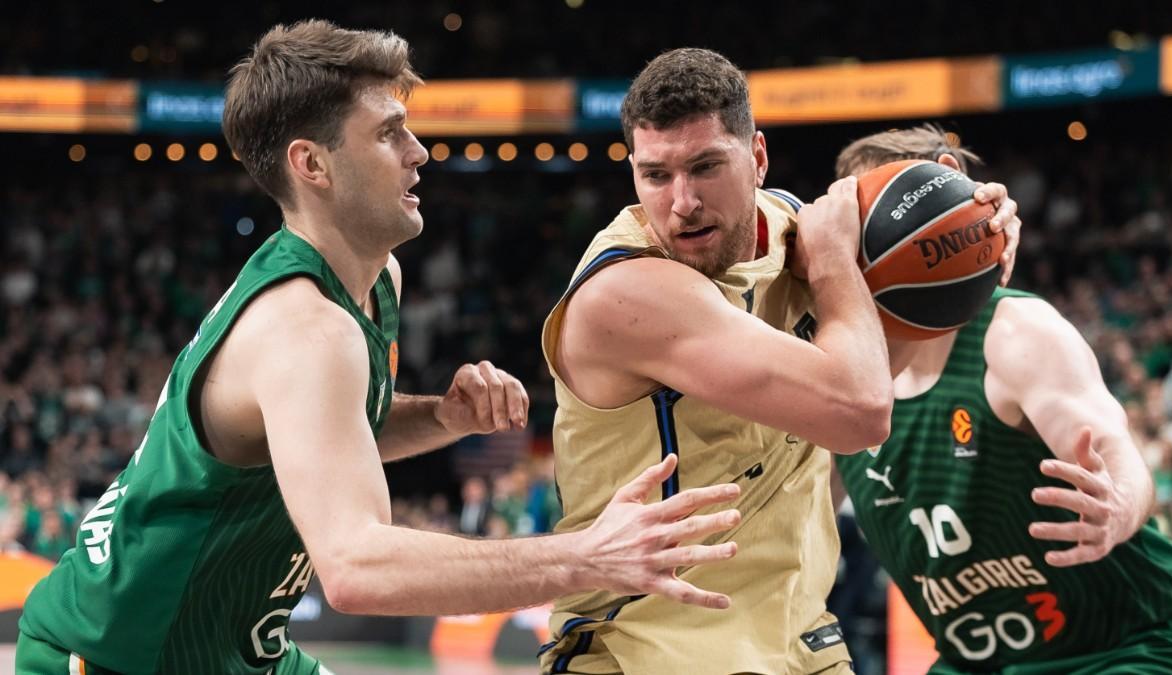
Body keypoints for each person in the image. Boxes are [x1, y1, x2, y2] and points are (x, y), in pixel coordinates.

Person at [16, 21, 744, 675]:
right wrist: (588, 554)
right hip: (117, 655)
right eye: (389, 132)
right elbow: (359, 566)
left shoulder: (368, 281)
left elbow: (319, 431)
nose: (419, 152)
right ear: (312, 164)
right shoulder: (305, 329)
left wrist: (442, 418)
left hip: (230, 643)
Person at [538, 51, 1020, 674]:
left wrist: (971, 264)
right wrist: (834, 268)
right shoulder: (628, 292)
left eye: (705, 167)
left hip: (797, 638)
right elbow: (861, 412)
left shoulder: (795, 228)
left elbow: (876, 367)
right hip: (648, 643)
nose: (681, 201)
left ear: (758, 157)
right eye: (655, 175)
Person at [833, 125, 1172, 673]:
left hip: (1128, 645)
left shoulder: (1016, 332)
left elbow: (1111, 443)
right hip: (979, 662)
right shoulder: (839, 375)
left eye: (886, 209)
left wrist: (1119, 505)